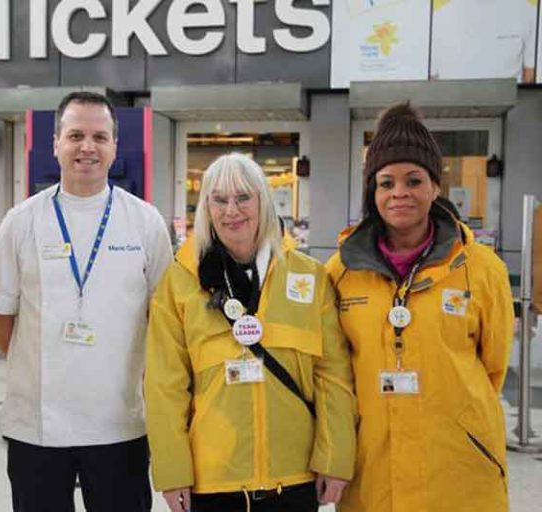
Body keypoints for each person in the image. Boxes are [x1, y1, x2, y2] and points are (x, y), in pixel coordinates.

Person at [0, 91, 173, 512]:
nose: (88, 147)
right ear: (56, 144)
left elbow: (164, 320)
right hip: (38, 429)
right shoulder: (22, 221)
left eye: (100, 137)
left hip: (121, 425)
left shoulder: (145, 222)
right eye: (76, 135)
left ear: (115, 146)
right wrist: (39, 366)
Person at [326, 103, 514, 512]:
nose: (399, 193)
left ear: (435, 186)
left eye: (414, 180)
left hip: (458, 468)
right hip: (374, 470)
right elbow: (334, 370)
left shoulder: (481, 269)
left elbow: (493, 366)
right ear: (372, 192)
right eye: (386, 182)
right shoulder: (340, 273)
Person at [145, 153, 356, 512]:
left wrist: (334, 459)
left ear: (263, 203)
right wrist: (172, 470)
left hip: (295, 478)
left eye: (244, 198)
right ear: (206, 208)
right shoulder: (180, 283)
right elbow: (165, 385)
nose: (232, 211)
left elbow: (333, 376)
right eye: (219, 199)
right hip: (212, 481)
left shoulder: (309, 277)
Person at [430, 0, 536, 83]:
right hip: (453, 106)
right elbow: (431, 79)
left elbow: (531, 72)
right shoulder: (438, 18)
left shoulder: (528, 12)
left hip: (510, 108)